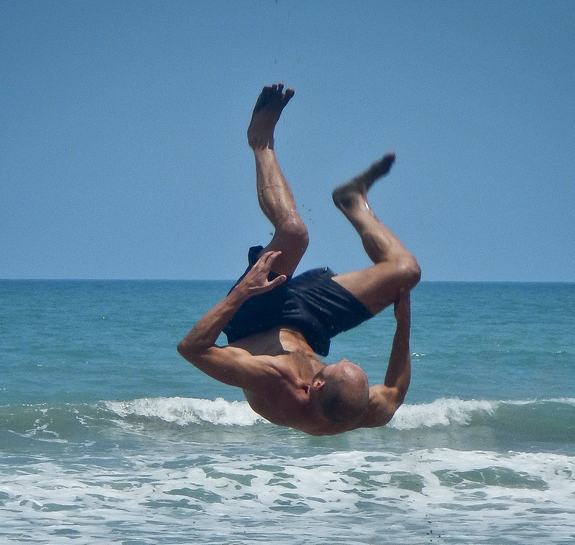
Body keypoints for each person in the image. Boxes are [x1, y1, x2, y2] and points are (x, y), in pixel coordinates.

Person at [178, 84, 421, 436]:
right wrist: (403, 321)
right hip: (308, 323)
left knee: (294, 232)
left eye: (335, 365)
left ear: (315, 386)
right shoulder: (359, 409)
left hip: (254, 317)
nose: (340, 359)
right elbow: (396, 393)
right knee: (406, 272)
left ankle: (260, 140)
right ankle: (353, 200)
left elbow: (191, 349)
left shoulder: (273, 380)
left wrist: (243, 291)